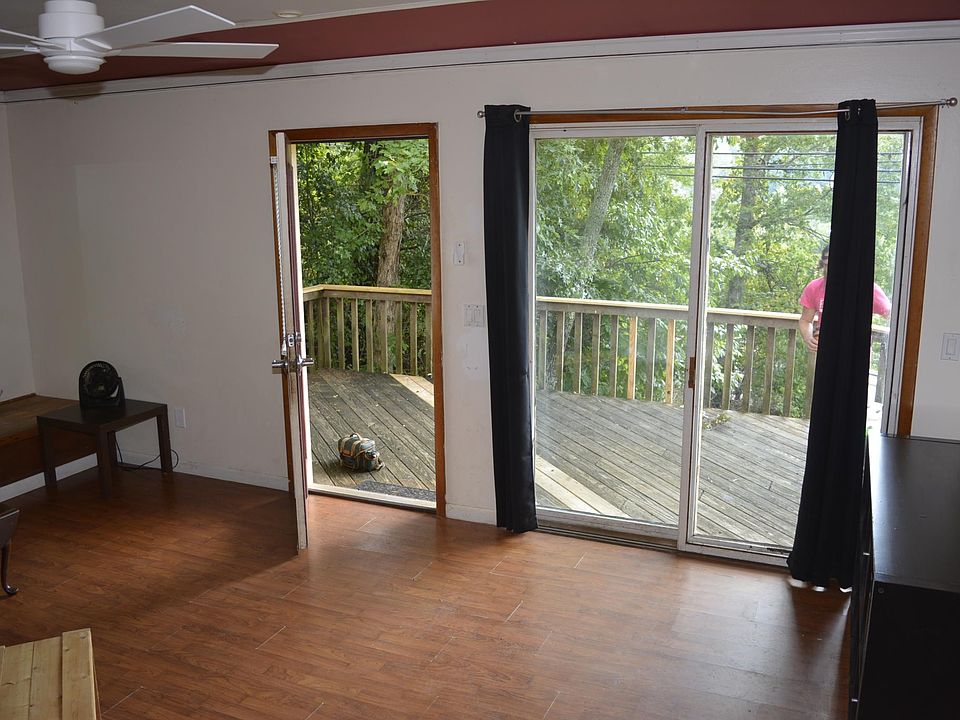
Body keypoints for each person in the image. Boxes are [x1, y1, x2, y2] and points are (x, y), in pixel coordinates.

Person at [799, 247, 891, 353]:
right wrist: (808, 337)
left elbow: (893, 315)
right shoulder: (814, 287)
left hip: (856, 352)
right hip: (826, 351)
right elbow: (805, 320)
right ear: (823, 265)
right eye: (827, 265)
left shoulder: (866, 288)